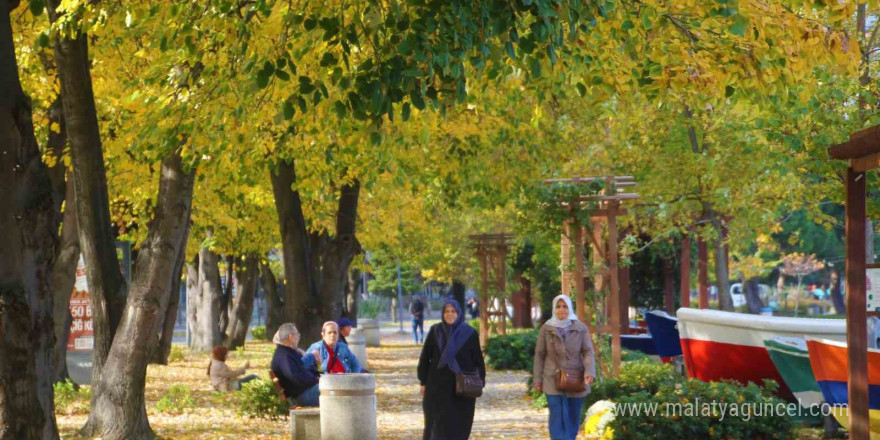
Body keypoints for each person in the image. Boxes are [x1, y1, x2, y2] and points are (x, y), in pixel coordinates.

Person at [417, 298, 486, 440]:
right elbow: (425, 358)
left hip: (462, 388)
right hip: (437, 386)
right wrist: (422, 382)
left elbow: (478, 360)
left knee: (459, 426)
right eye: (447, 311)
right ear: (442, 314)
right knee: (435, 425)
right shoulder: (435, 331)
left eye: (453, 311)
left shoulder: (470, 333)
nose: (450, 314)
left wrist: (480, 382)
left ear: (459, 313)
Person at [533, 295, 596, 440]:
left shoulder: (580, 328)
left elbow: (587, 351)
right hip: (551, 378)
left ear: (570, 308)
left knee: (573, 416)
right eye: (558, 306)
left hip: (576, 377)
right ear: (554, 309)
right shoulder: (547, 328)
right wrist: (537, 379)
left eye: (565, 306)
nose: (562, 309)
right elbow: (540, 354)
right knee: (556, 414)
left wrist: (589, 371)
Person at [270, 323, 321, 406]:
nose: (298, 337)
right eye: (297, 335)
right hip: (301, 396)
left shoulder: (287, 352)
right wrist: (317, 380)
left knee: (337, 390)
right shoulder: (284, 356)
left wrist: (318, 377)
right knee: (335, 392)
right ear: (291, 337)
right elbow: (295, 377)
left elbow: (302, 369)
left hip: (304, 392)